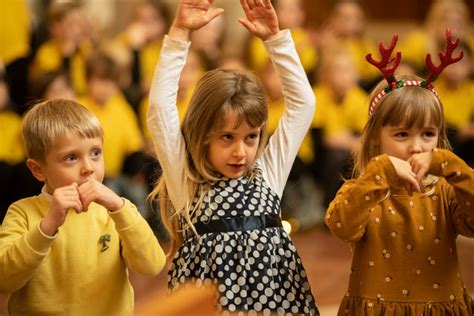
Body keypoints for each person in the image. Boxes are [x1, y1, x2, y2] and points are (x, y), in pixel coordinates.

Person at [147, 0, 319, 314]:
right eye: (227, 137)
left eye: (251, 138)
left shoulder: (266, 172)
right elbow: (160, 110)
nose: (241, 151)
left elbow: (303, 105)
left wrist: (275, 40)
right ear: (202, 135)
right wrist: (180, 32)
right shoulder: (186, 180)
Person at [325, 33, 474, 315]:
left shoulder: (445, 192)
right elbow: (340, 225)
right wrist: (380, 171)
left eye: (428, 134)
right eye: (402, 134)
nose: (417, 146)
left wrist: (449, 165)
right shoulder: (365, 188)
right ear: (375, 139)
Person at [0, 99, 166, 315]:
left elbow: (152, 265)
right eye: (71, 157)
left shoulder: (115, 212)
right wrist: (47, 227)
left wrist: (119, 206)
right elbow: (5, 280)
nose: (88, 167)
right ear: (38, 170)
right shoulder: (22, 213)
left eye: (95, 153)